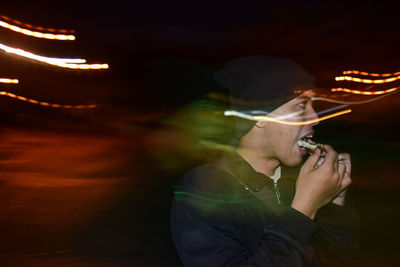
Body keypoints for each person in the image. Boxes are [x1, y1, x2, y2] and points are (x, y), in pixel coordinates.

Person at [170, 57, 359, 266]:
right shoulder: (203, 190)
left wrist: (335, 202)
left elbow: (338, 260)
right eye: (301, 106)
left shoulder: (302, 179)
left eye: (312, 105)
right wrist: (303, 210)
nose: (315, 117)